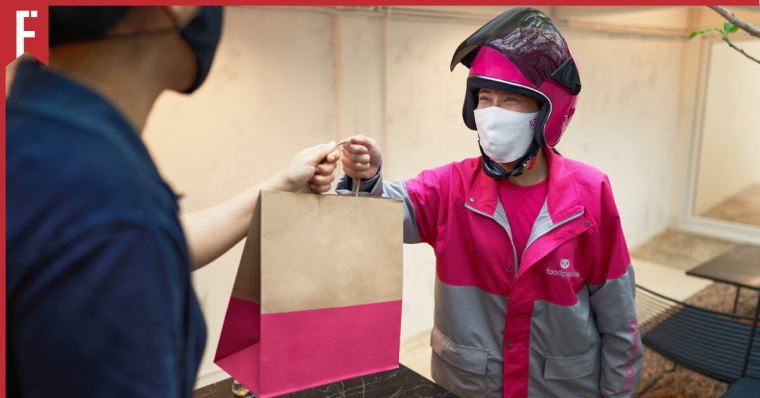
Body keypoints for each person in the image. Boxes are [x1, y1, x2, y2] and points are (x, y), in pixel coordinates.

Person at [6, 6, 340, 397]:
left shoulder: (38, 142)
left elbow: (155, 244)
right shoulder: (109, 211)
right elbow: (123, 238)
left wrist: (279, 186)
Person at [338, 8, 642, 398]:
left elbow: (619, 319)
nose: (492, 113)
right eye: (484, 97)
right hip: (469, 388)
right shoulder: (452, 186)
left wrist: (617, 394)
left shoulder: (591, 194)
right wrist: (367, 177)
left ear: (547, 112)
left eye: (511, 99)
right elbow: (384, 214)